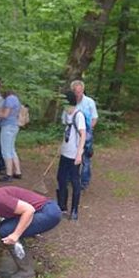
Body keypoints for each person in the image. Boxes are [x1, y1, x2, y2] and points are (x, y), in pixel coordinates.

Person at [57, 91, 86, 220]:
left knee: (75, 182)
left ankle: (74, 210)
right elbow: (65, 132)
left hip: (74, 154)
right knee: (61, 179)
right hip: (65, 152)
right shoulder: (65, 114)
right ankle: (62, 206)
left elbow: (83, 135)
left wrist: (79, 153)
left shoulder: (78, 115)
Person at [70, 80, 98, 190]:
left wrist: (88, 130)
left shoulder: (89, 102)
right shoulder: (71, 103)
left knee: (86, 159)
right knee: (72, 156)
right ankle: (71, 177)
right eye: (76, 91)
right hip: (73, 135)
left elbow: (94, 118)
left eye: (80, 91)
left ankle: (84, 182)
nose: (78, 93)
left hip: (86, 133)